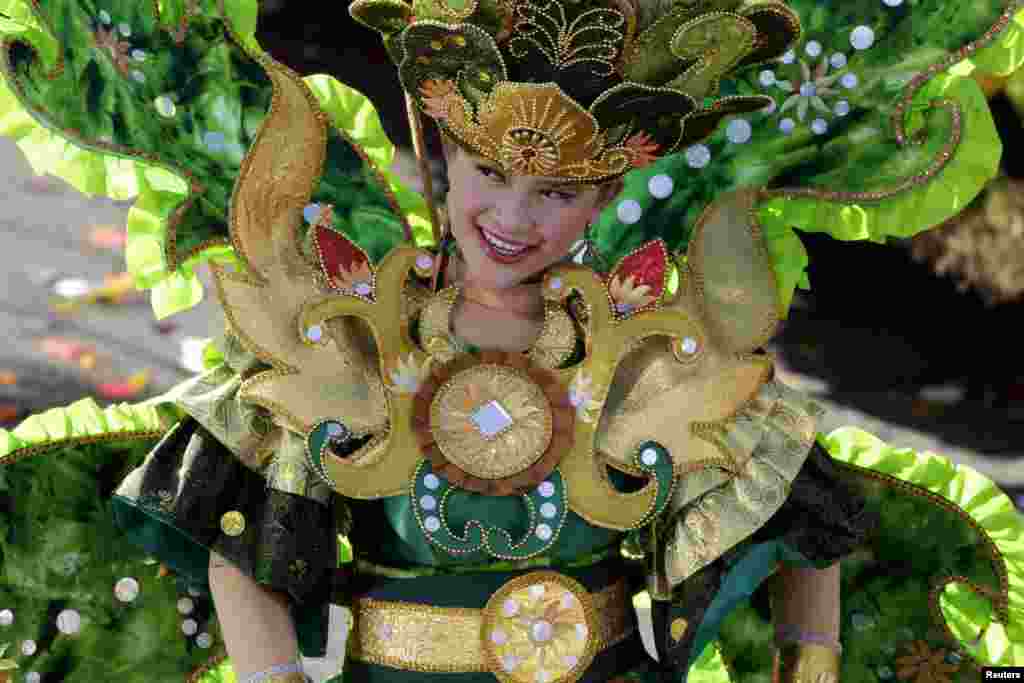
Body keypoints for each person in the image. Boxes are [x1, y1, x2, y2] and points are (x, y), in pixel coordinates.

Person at [0, 0, 1021, 682]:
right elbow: (234, 547)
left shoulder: (650, 353)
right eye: (490, 173)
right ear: (445, 155)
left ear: (605, 199)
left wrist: (812, 656)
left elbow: (806, 526)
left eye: (558, 192)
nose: (513, 215)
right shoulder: (352, 333)